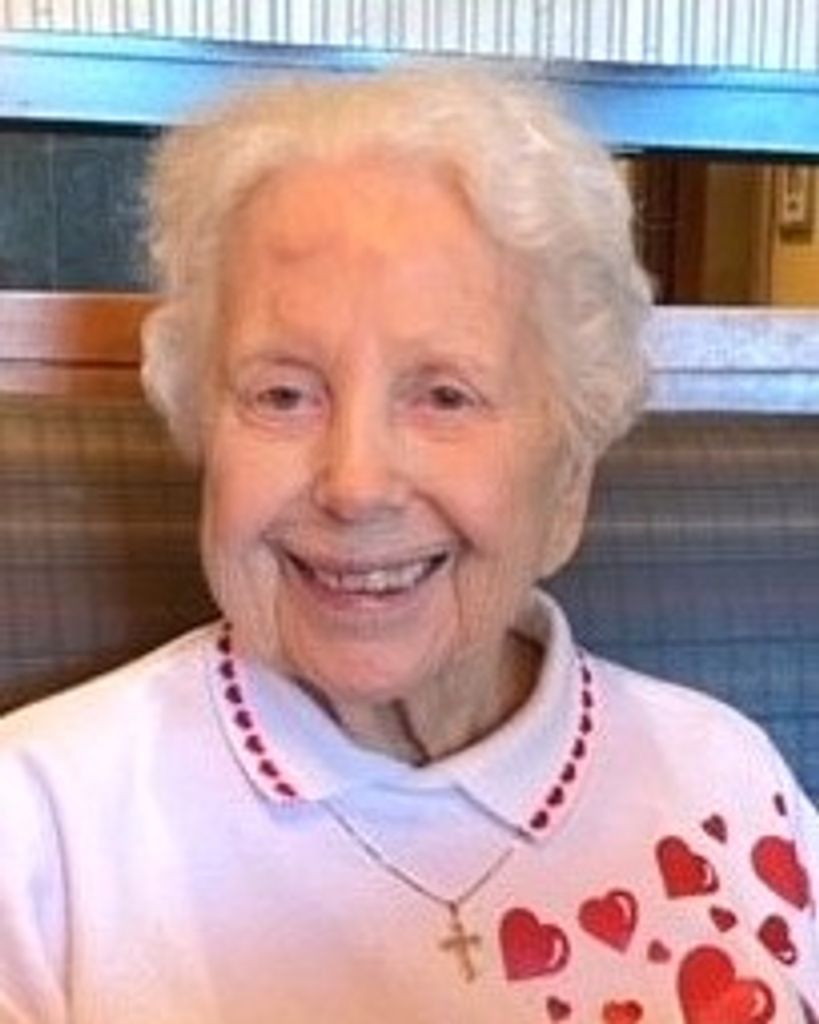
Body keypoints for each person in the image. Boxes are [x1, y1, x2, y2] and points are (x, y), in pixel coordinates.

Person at [0, 66, 816, 1023]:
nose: (354, 485)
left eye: (443, 396)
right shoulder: (39, 828)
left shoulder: (722, 779)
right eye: (282, 394)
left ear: (567, 481)